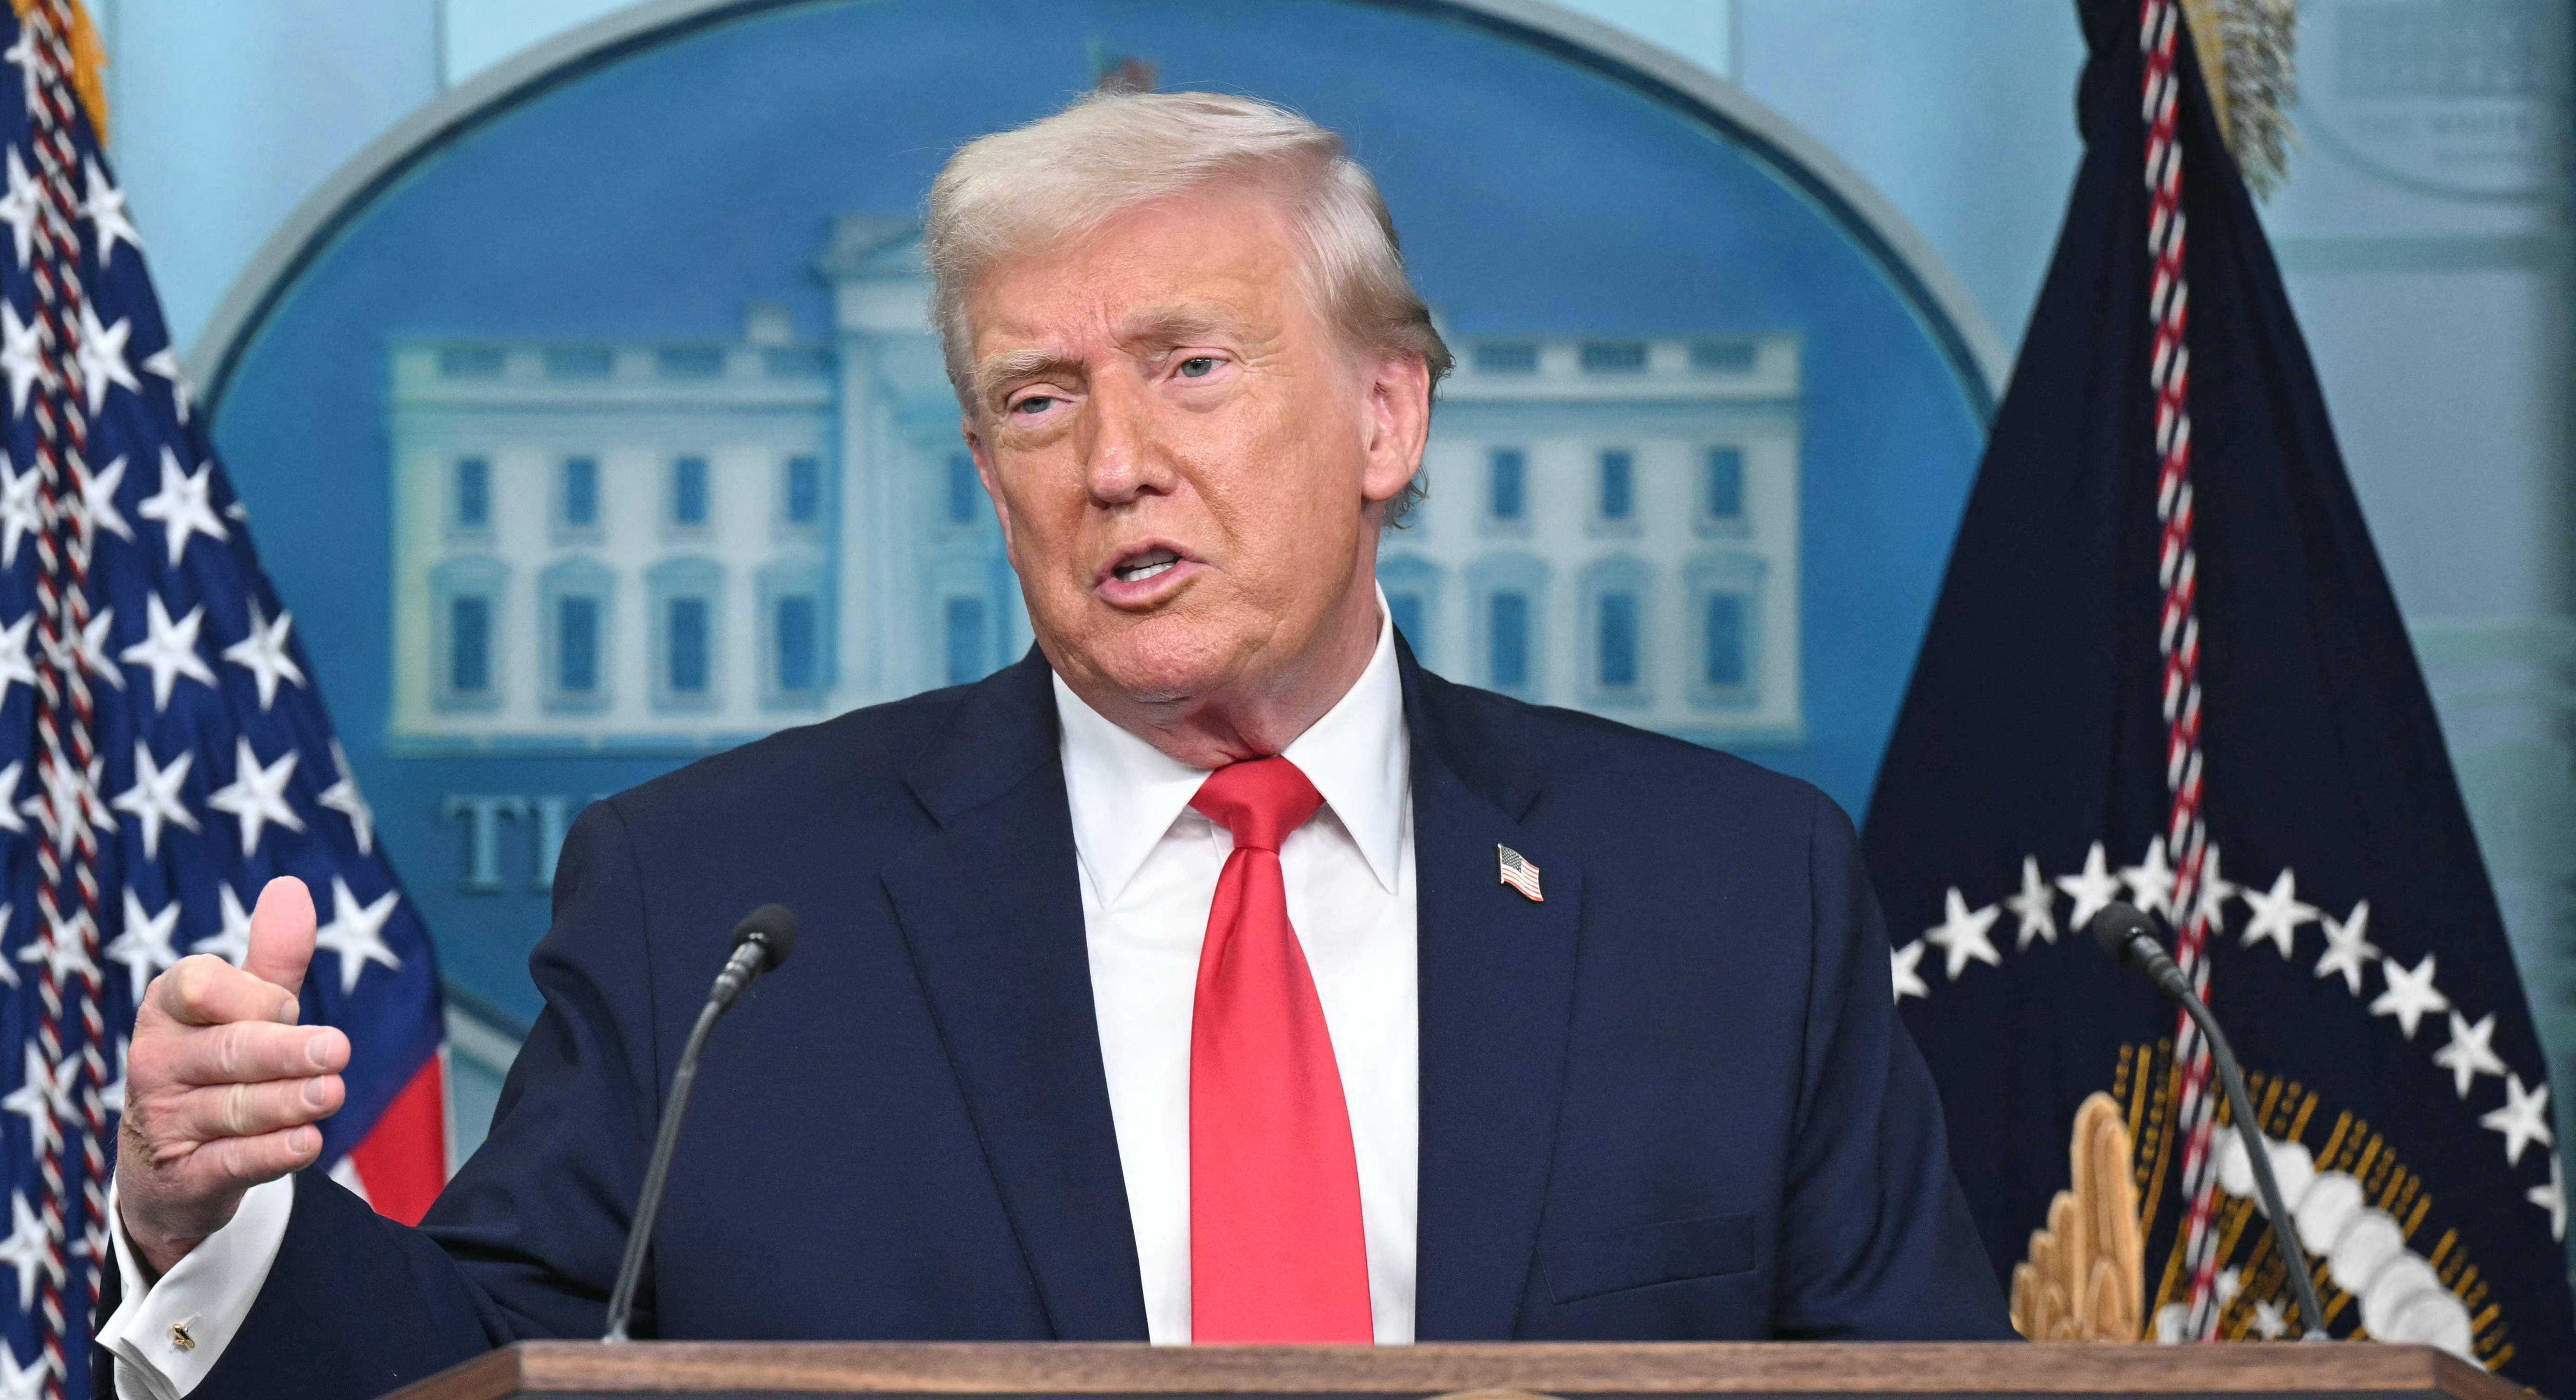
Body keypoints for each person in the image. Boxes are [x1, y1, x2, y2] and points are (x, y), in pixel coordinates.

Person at [97, 89, 2011, 1400]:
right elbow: (490, 1360)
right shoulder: (724, 903)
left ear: (1383, 416)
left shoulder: (1728, 890)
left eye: (1190, 364)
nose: (1113, 460)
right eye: (1035, 397)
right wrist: (218, 1228)